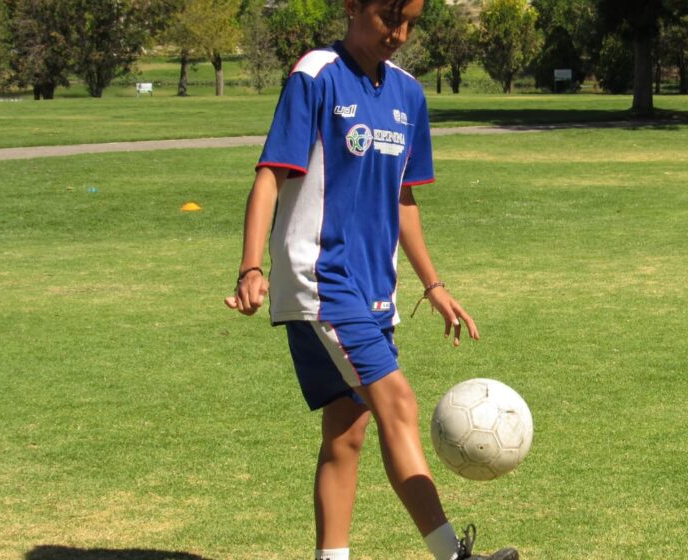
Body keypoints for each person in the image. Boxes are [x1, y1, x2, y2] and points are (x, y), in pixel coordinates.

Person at [223, 1, 520, 559]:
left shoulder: (408, 94)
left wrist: (433, 285)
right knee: (398, 402)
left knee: (346, 430)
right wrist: (251, 266)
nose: (399, 33)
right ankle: (452, 556)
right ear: (351, 6)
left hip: (371, 287)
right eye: (388, 16)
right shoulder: (315, 76)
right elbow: (269, 175)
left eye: (410, 21)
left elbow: (404, 199)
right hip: (321, 280)